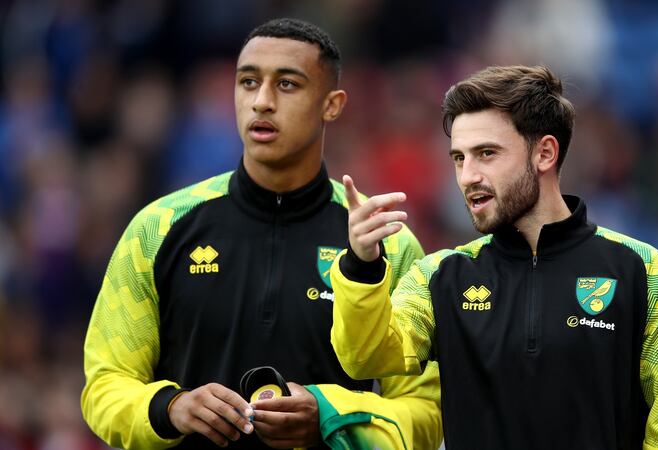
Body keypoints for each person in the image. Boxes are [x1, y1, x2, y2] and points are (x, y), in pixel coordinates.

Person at [80, 18, 442, 450]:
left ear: (332, 105)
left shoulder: (385, 243)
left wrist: (331, 417)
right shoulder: (158, 228)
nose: (262, 102)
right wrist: (170, 407)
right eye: (248, 82)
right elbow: (104, 385)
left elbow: (425, 413)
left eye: (287, 85)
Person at [330, 65, 658, 449]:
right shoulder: (439, 276)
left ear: (545, 153)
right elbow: (366, 356)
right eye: (459, 158)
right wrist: (361, 265)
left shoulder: (643, 271)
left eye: (486, 153)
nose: (467, 176)